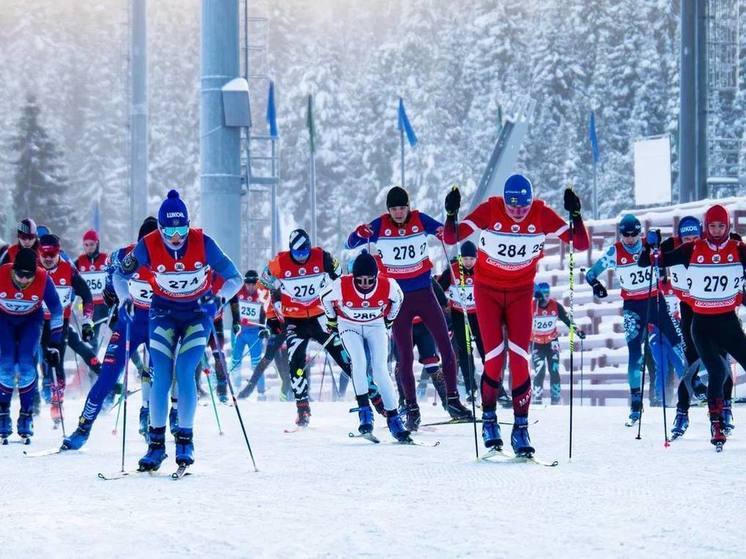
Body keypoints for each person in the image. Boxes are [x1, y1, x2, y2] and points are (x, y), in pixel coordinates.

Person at [442, 175, 588, 456]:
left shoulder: (542, 213)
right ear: (505, 201)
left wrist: (576, 216)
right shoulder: (490, 209)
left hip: (522, 294)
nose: (518, 212)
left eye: (523, 206)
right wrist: (451, 215)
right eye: (512, 206)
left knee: (520, 358)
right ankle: (489, 421)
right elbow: (452, 237)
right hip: (488, 293)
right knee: (495, 357)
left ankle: (521, 428)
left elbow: (579, 243)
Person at [114, 190, 241, 470]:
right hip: (163, 313)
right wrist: (126, 300)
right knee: (161, 374)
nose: (176, 236)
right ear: (159, 227)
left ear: (188, 224)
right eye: (169, 229)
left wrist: (219, 299)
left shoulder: (204, 242)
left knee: (185, 372)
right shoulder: (147, 245)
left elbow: (235, 277)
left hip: (197, 313)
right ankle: (156, 445)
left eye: (181, 228)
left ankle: (185, 439)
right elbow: (119, 275)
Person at [348, 186, 472, 431]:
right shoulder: (381, 224)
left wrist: (450, 215)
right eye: (394, 209)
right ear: (388, 210)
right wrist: (358, 233)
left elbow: (448, 237)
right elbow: (351, 243)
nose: (398, 213)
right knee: (404, 357)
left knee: (446, 348)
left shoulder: (419, 219)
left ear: (408, 206)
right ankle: (412, 409)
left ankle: (454, 401)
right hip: (398, 298)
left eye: (402, 208)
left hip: (424, 293)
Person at [639, 204, 746, 449]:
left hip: (728, 320)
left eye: (721, 226)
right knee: (715, 370)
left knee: (726, 368)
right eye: (712, 226)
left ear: (727, 226)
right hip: (700, 321)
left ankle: (723, 411)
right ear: (705, 227)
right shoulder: (690, 248)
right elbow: (649, 261)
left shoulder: (737, 248)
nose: (717, 231)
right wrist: (650, 246)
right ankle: (714, 422)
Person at [62, 217, 159, 450]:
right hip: (130, 324)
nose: (149, 250)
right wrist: (114, 300)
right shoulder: (122, 257)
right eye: (144, 244)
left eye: (155, 243)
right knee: (107, 376)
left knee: (156, 375)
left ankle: (149, 418)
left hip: (158, 324)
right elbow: (108, 288)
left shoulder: (169, 257)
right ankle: (83, 428)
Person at [586, 214, 686, 425]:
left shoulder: (648, 246)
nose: (630, 239)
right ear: (620, 234)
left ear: (640, 233)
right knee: (634, 353)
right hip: (633, 306)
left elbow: (673, 249)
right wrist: (597, 285)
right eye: (626, 234)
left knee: (676, 341)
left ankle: (692, 386)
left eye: (634, 234)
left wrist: (659, 247)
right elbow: (590, 274)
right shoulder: (615, 251)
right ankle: (635, 403)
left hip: (654, 300)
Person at [261, 229, 354, 426]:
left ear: (309, 247)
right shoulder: (280, 261)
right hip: (294, 320)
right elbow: (266, 281)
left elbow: (339, 277)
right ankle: (302, 409)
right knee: (295, 363)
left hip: (320, 316)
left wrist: (337, 304)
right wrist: (275, 305)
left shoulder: (322, 257)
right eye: (297, 254)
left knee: (343, 355)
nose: (301, 258)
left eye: (304, 253)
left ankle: (373, 398)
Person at [320, 250, 411, 441]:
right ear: (354, 277)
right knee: (359, 362)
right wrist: (331, 320)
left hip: (375, 325)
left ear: (376, 276)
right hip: (349, 325)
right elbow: (324, 297)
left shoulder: (388, 285)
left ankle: (394, 419)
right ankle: (364, 412)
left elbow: (399, 299)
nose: (365, 285)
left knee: (380, 370)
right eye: (360, 281)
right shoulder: (342, 284)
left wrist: (389, 320)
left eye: (369, 280)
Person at [0, 249, 62, 443]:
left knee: (27, 363)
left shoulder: (43, 278)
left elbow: (57, 310)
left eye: (29, 276)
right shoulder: (1, 274)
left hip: (30, 322)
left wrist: (54, 344)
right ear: (13, 270)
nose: (25, 280)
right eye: (20, 275)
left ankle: (26, 415)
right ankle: (3, 414)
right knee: (7, 363)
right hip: (4, 321)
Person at [38, 234, 95, 426]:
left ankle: (57, 402)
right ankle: (34, 401)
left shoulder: (68, 270)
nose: (47, 258)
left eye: (51, 254)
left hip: (58, 322)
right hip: (35, 321)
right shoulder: (34, 268)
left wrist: (87, 321)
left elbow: (87, 295)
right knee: (36, 359)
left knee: (57, 358)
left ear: (58, 252)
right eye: (43, 254)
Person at [530, 282, 585, 405]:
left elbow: (567, 320)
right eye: (543, 295)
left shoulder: (555, 306)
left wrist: (578, 331)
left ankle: (556, 398)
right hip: (536, 343)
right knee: (540, 369)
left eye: (547, 294)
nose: (545, 298)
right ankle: (537, 398)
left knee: (554, 369)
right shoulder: (532, 306)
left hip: (552, 342)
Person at [74, 229, 109, 347]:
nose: (89, 247)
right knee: (91, 339)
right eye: (86, 244)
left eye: (92, 244)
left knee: (121, 334)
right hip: (90, 307)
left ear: (97, 243)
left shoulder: (106, 259)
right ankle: (93, 365)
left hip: (106, 305)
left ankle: (139, 365)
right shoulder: (79, 262)